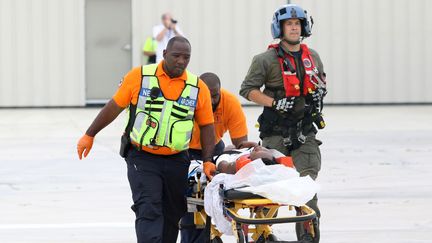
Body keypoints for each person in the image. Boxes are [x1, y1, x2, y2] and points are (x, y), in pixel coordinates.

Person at [77, 36, 216, 243]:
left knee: (173, 211)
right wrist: (90, 134)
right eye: (176, 56)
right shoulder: (139, 77)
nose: (181, 61)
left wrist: (207, 160)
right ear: (164, 54)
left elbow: (207, 126)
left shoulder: (198, 88)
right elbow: (114, 107)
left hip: (177, 159)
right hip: (142, 158)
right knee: (148, 207)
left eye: (186, 57)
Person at [239, 4, 326, 242]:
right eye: (289, 24)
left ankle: (308, 238)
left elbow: (320, 82)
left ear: (304, 27)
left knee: (307, 189)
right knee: (270, 191)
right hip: (275, 134)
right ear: (280, 28)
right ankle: (263, 235)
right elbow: (247, 90)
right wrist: (274, 103)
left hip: (305, 133)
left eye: (298, 23)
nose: (294, 28)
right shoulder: (265, 60)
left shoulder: (313, 57)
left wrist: (319, 93)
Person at [180, 72, 248, 243]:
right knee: (191, 201)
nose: (210, 101)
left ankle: (213, 231)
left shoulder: (230, 102)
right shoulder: (185, 101)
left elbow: (241, 143)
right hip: (186, 149)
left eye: (215, 95)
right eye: (206, 96)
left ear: (220, 91)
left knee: (215, 197)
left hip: (214, 148)